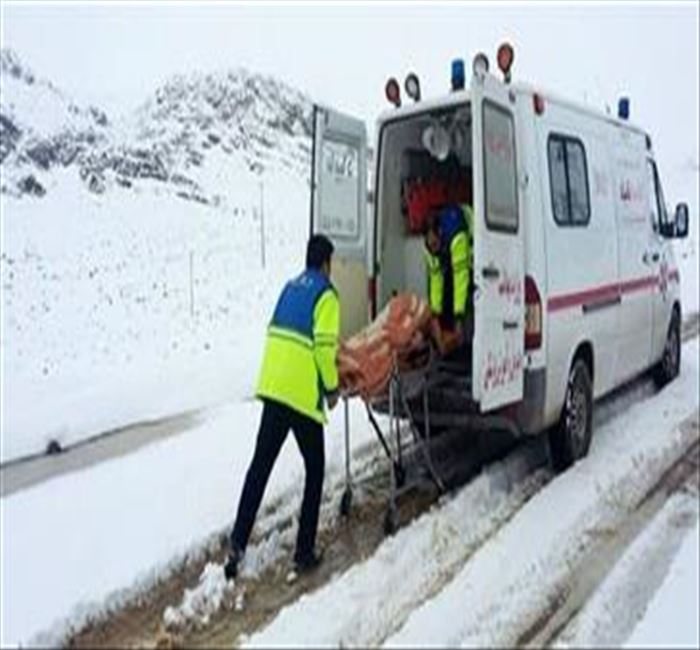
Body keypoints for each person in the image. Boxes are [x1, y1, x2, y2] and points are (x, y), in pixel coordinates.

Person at [224, 234, 340, 580]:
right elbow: (322, 347)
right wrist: (331, 387)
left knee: (259, 467)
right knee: (316, 469)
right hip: (301, 395)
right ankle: (304, 553)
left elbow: (277, 331)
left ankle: (237, 544)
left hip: (274, 388)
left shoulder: (290, 287)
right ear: (325, 263)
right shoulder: (327, 295)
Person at [424, 202, 473, 356]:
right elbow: (435, 280)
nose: (433, 248)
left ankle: (465, 342)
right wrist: (435, 315)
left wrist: (459, 317)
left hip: (473, 250)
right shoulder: (429, 246)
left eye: (435, 244)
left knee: (466, 295)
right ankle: (450, 343)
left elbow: (461, 277)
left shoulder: (456, 236)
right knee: (445, 295)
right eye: (431, 245)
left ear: (440, 233)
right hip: (453, 253)